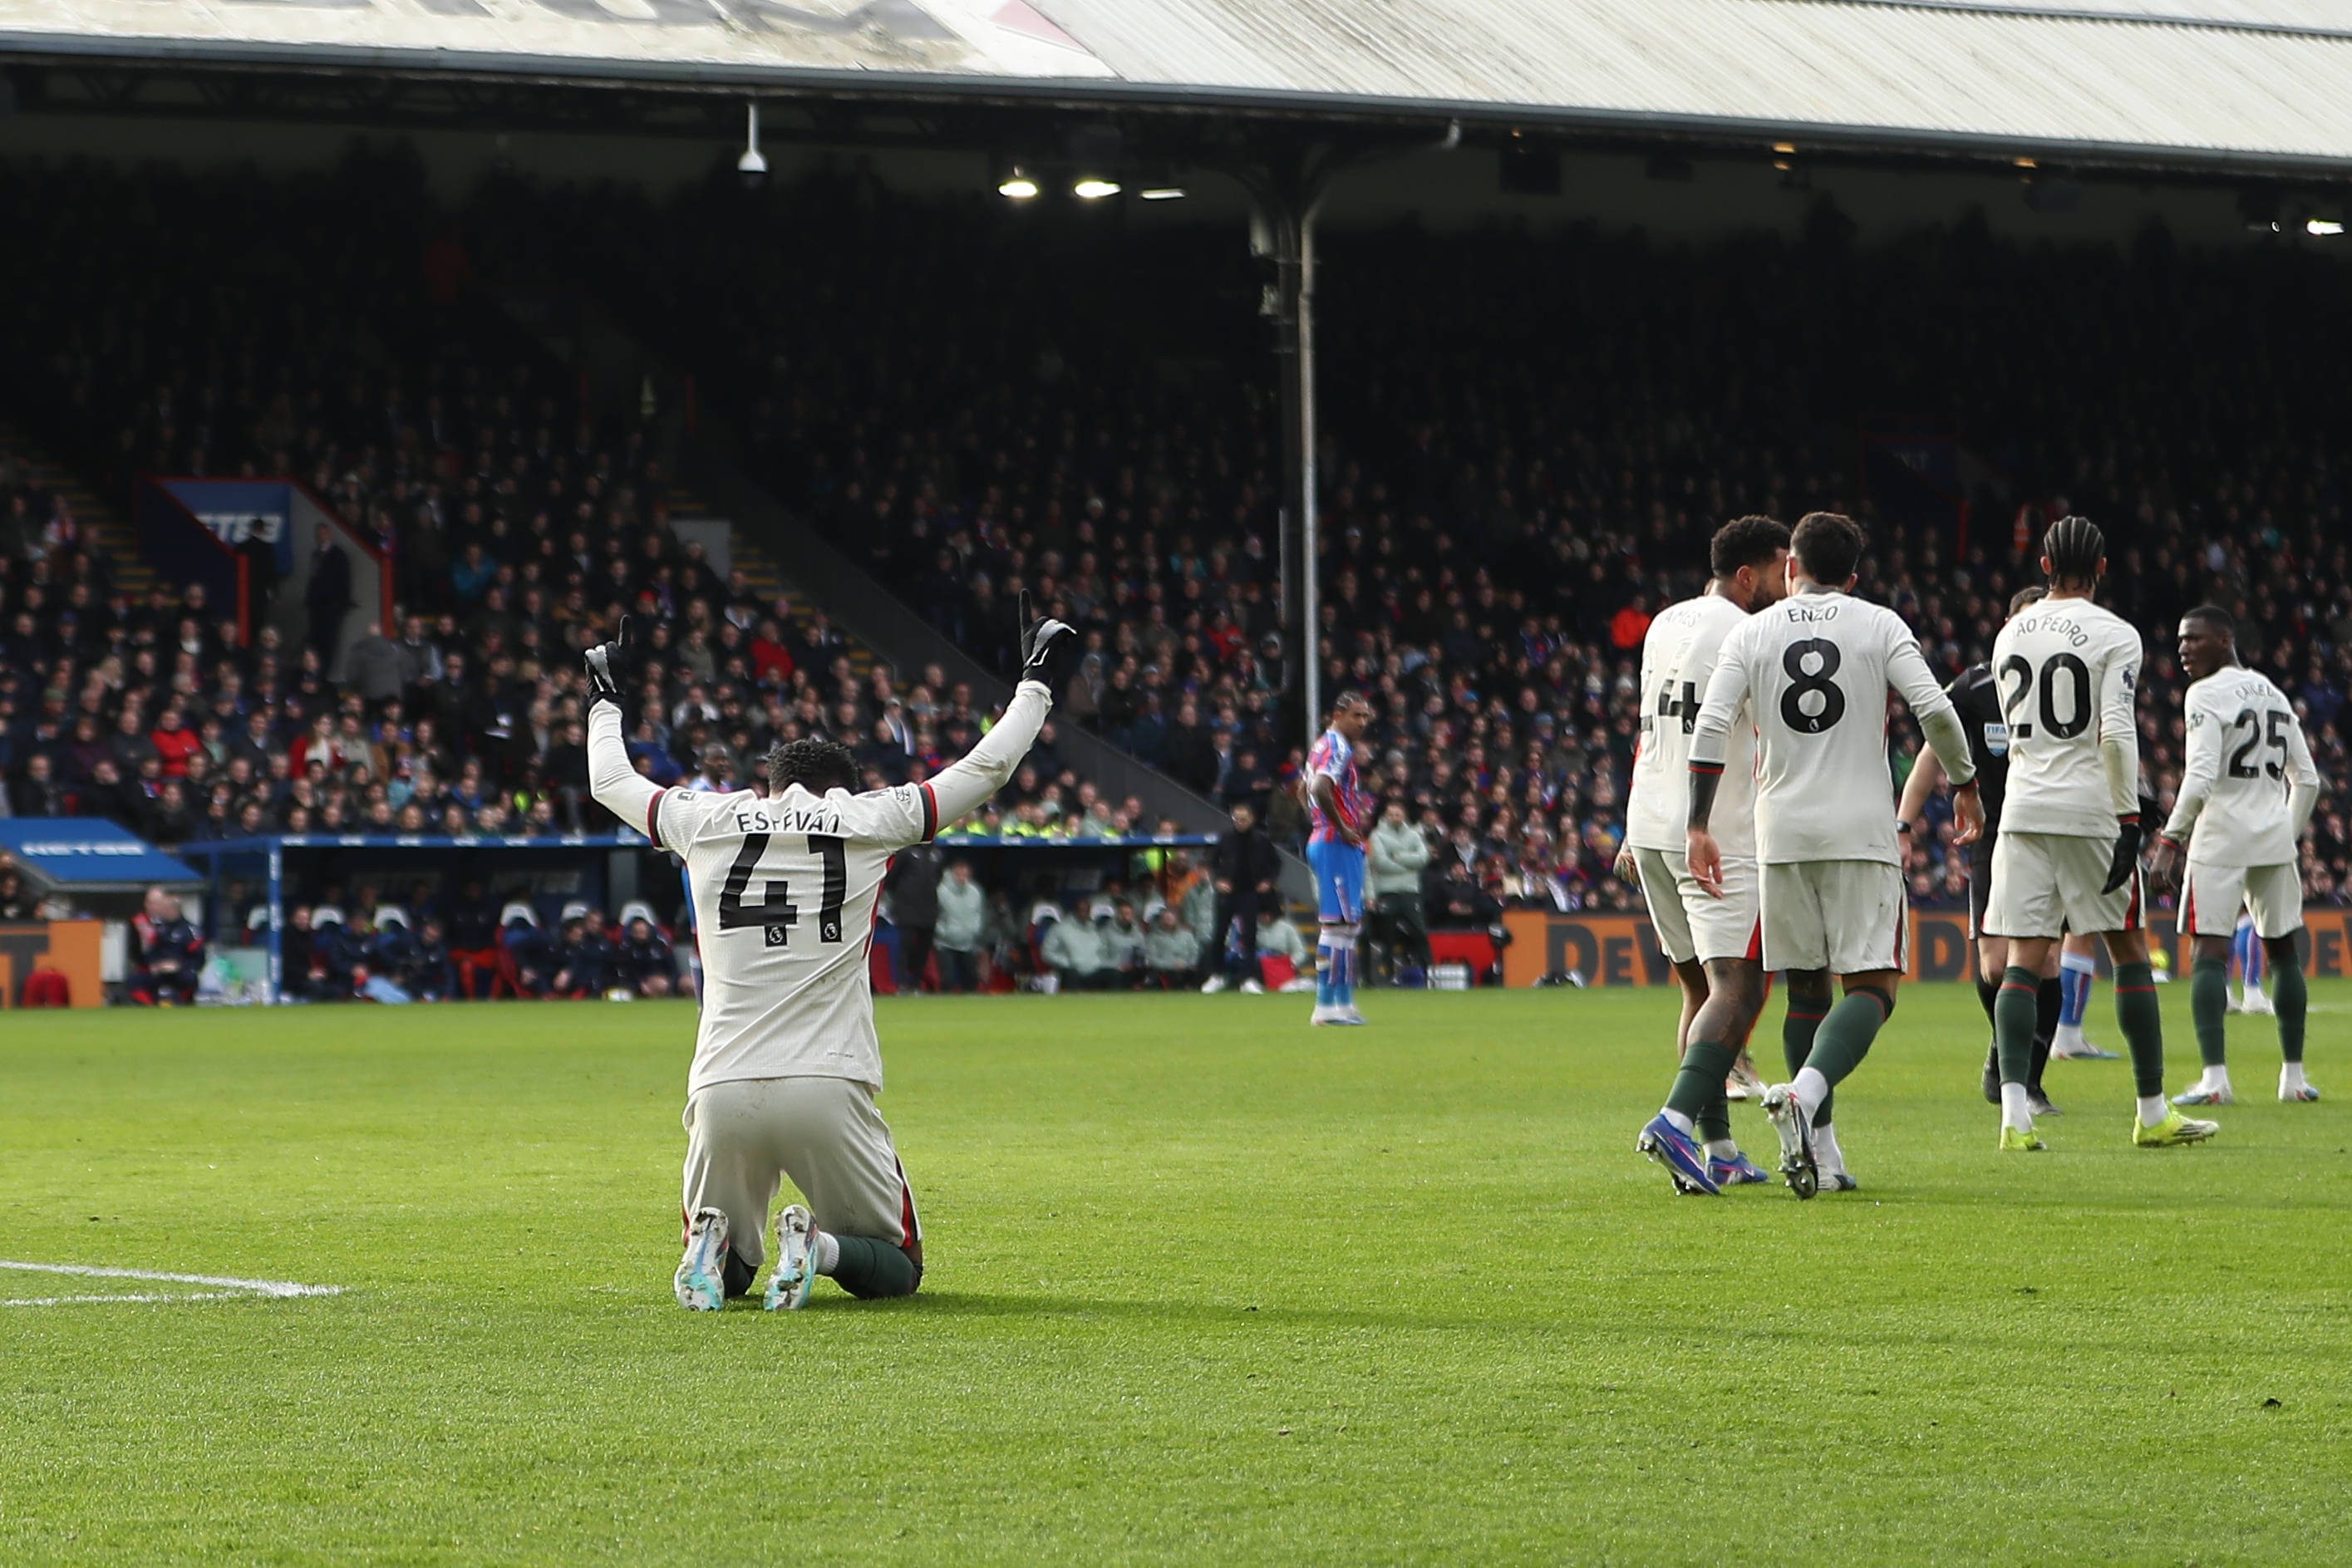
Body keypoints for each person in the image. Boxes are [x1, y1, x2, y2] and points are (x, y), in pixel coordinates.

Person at [585, 597, 1073, 1311]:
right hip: (827, 1080)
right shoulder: (867, 816)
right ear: (839, 787)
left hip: (721, 1084)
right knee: (900, 1265)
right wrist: (1035, 681)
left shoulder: (703, 818)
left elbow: (610, 782)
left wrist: (604, 696)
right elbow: (987, 766)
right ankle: (819, 1247)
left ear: (771, 784)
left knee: (729, 1273)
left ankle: (718, 1243)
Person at [1666, 511, 1985, 1198]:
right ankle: (1806, 1093)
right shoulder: (1877, 623)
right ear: (1855, 576)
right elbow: (1933, 706)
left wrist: (1697, 821)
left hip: (1778, 834)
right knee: (1872, 987)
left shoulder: (1751, 632)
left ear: (1791, 569)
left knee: (1805, 987)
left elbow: (1713, 725)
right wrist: (1964, 784)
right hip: (1860, 831)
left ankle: (1825, 1153)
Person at [1983, 517, 2215, 1152]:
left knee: (2023, 962)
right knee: (2129, 949)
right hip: (2088, 808)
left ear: (2044, 566)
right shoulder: (2117, 634)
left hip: (2023, 808)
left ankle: (2013, 1115)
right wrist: (2130, 817)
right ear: (2103, 568)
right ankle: (2150, 1109)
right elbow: (2114, 728)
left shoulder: (2009, 635)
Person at [1623, 515, 1789, 1195]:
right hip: (1713, 831)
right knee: (1739, 987)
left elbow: (1647, 725)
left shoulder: (1664, 622)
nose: (1790, 582)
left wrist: (1631, 830)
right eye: (1781, 568)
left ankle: (1718, 1148)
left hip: (1651, 821)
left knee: (1699, 987)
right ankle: (1673, 1120)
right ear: (1748, 575)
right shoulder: (1752, 632)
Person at [1897, 585, 2069, 1117]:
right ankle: (2003, 1048)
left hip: (2049, 832)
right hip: (1991, 836)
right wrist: (1904, 822)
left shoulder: (2063, 687)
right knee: (1995, 967)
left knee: (2047, 962)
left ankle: (2026, 1082)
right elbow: (1931, 753)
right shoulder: (1976, 686)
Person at [2153, 604, 2323, 1105]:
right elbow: (2307, 778)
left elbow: (2201, 775)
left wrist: (2170, 840)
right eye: (2181, 640)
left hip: (2221, 838)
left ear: (2225, 639)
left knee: (2208, 951)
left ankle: (2215, 1081)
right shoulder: (2272, 691)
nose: (2183, 649)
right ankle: (2294, 1078)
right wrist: (2284, 836)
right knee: (2283, 951)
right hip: (2272, 836)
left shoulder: (2205, 693)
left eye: (2195, 639)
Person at [1301, 691, 1374, 1025]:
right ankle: (1325, 1006)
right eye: (1357, 715)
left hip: (1329, 840)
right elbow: (1317, 788)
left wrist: (1317, 823)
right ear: (1338, 713)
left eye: (1366, 717)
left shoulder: (1320, 746)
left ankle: (1343, 1003)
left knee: (1347, 927)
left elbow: (1303, 790)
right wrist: (1339, 825)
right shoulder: (1339, 747)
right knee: (1335, 927)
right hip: (1335, 843)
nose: (1362, 723)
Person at [1203, 801, 1279, 995]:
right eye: (1236, 818)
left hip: (1250, 892)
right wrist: (1218, 880)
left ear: (1252, 819)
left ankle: (1248, 978)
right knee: (1219, 934)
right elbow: (1212, 862)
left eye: (1243, 819)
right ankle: (1216, 975)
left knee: (1250, 936)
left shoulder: (1262, 839)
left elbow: (1276, 863)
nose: (1240, 822)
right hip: (1228, 892)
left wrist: (1268, 881)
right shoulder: (1226, 838)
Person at [1366, 800, 1433, 986]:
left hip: (1411, 891)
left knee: (1420, 932)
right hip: (1387, 891)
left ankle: (1429, 973)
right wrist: (1409, 865)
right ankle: (1388, 976)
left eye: (1398, 814)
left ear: (1404, 816)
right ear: (1386, 816)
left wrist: (1398, 856)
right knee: (1388, 936)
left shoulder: (1414, 834)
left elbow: (1423, 857)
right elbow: (1380, 863)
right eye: (1392, 814)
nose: (1395, 817)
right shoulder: (1377, 835)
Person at [129, 888, 204, 1006]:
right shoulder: (158, 929)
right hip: (160, 970)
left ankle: (182, 1003)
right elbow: (152, 951)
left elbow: (199, 958)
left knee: (191, 978)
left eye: (164, 908)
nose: (161, 911)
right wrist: (156, 965)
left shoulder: (190, 930)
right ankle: (151, 1006)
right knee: (135, 981)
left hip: (180, 970)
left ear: (173, 910)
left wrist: (178, 965)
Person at [885, 841, 943, 993]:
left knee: (924, 949)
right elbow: (891, 879)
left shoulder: (936, 853)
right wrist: (903, 896)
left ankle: (916, 983)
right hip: (907, 910)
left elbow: (938, 877)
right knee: (905, 947)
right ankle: (902, 984)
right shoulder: (906, 852)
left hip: (929, 910)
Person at [305, 523, 354, 672]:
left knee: (329, 644)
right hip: (316, 609)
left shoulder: (339, 555)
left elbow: (344, 581)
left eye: (324, 534)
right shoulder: (316, 554)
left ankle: (326, 673)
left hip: (331, 609)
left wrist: (339, 605)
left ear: (329, 534)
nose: (321, 537)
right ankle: (316, 671)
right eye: (318, 534)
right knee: (316, 643)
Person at [933, 861, 986, 993]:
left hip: (968, 942)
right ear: (952, 874)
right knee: (948, 979)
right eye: (959, 874)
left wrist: (974, 931)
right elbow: (934, 915)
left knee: (972, 978)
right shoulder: (940, 891)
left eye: (965, 874)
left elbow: (978, 914)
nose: (962, 877)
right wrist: (944, 932)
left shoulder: (975, 892)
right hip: (945, 943)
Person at [1041, 903, 1110, 990]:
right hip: (1070, 970)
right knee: (1071, 975)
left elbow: (1104, 951)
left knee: (1113, 974)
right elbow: (1047, 953)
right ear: (1075, 912)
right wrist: (1067, 962)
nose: (1084, 913)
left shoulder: (1096, 930)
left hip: (1094, 970)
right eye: (1081, 910)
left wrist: (1101, 963)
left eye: (1087, 911)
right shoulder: (1059, 929)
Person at [1143, 906, 1203, 990]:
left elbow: (1195, 953)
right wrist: (1172, 965)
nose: (1169, 921)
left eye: (1171, 919)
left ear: (1176, 920)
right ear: (1161, 920)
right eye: (1166, 918)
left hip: (1186, 968)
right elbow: (1152, 958)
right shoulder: (1153, 937)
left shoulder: (1187, 935)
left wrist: (1186, 964)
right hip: (1165, 970)